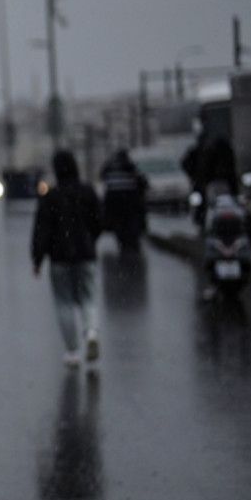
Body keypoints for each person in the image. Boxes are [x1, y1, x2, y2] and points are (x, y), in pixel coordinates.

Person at [32, 151, 103, 367]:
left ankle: (72, 352)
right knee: (88, 297)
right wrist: (90, 240)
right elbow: (99, 221)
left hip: (59, 258)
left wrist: (37, 259)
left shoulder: (51, 197)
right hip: (85, 254)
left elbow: (41, 231)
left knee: (64, 303)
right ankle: (91, 331)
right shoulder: (87, 192)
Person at [98, 149, 148, 255]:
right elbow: (141, 181)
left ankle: (124, 242)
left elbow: (102, 177)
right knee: (131, 222)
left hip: (114, 202)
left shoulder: (110, 167)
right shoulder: (130, 166)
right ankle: (131, 243)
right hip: (130, 201)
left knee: (118, 223)